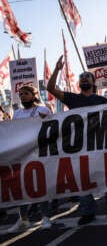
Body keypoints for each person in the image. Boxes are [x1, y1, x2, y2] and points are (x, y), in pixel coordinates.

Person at [47, 55, 107, 225]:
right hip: (80, 147)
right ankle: (88, 212)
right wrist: (57, 69)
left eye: (87, 76)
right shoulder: (72, 98)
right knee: (83, 179)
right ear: (79, 84)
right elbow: (50, 88)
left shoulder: (101, 100)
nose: (84, 78)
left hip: (102, 145)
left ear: (93, 83)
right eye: (81, 77)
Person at [7, 85, 52, 233]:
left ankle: (45, 217)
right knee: (22, 187)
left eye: (26, 93)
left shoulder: (42, 110)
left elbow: (51, 127)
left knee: (40, 185)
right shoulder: (17, 114)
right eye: (20, 94)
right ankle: (23, 219)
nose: (23, 96)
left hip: (39, 153)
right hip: (22, 155)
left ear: (34, 95)